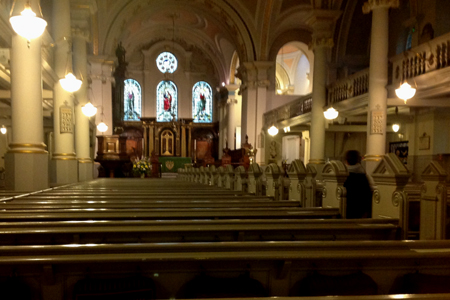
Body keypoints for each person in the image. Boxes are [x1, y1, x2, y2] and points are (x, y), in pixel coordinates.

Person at [343, 150, 372, 218]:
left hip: (346, 211)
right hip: (360, 212)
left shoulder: (343, 176)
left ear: (346, 161)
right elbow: (368, 196)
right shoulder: (362, 176)